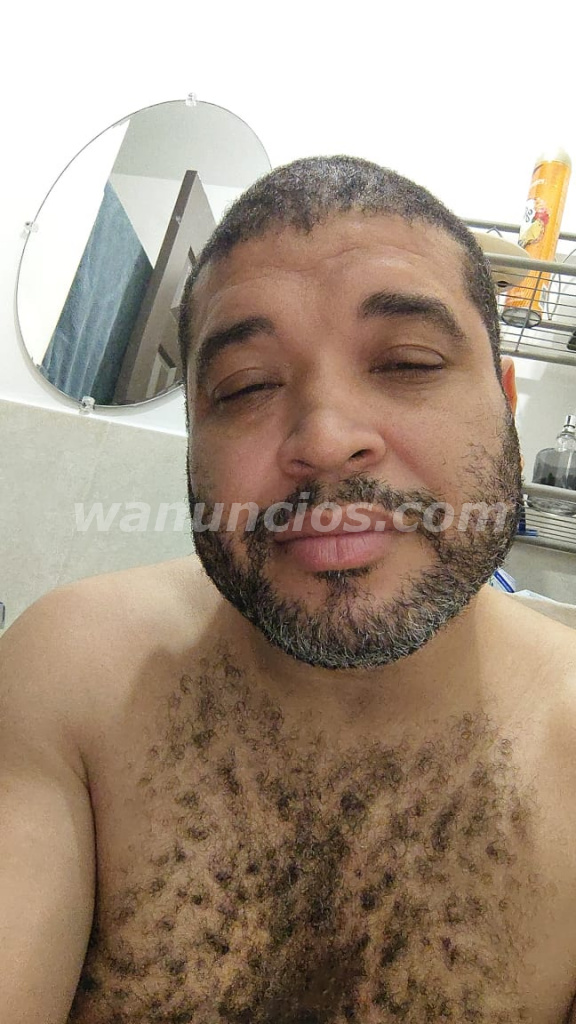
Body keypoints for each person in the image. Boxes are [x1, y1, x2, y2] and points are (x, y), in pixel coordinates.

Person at [1, 155, 575, 1024]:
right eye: (248, 385)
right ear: (194, 434)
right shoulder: (70, 679)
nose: (325, 438)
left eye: (408, 362)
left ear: (504, 404)